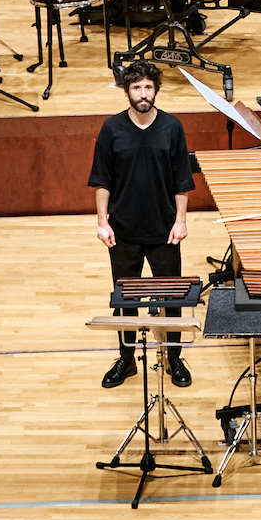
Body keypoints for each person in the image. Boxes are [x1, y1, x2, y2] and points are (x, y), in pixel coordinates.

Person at [89, 59, 196, 390]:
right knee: (125, 301)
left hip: (164, 231)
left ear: (156, 90)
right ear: (127, 91)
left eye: (148, 87)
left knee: (172, 299)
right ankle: (127, 358)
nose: (143, 93)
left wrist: (181, 220)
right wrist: (102, 222)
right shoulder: (111, 129)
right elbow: (102, 181)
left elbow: (182, 181)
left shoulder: (172, 127)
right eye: (136, 87)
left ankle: (173, 357)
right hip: (123, 232)